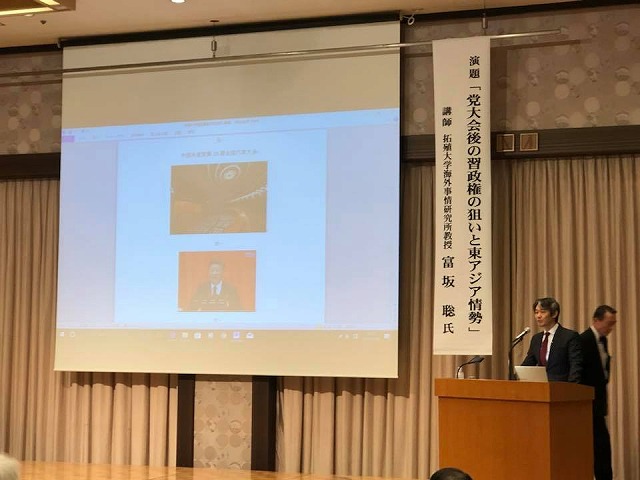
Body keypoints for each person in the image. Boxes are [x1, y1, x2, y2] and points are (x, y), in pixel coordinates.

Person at [580, 305, 617, 480]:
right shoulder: (583, 340)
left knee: (602, 449)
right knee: (598, 449)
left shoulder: (603, 341)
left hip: (598, 405)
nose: (611, 328)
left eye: (613, 324)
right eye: (609, 323)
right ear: (596, 320)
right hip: (586, 405)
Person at [521, 297, 582, 382]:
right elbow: (527, 365)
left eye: (543, 312)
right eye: (536, 312)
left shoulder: (569, 336)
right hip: (542, 386)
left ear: (554, 314)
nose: (538, 316)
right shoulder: (536, 339)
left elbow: (576, 366)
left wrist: (571, 387)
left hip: (562, 386)